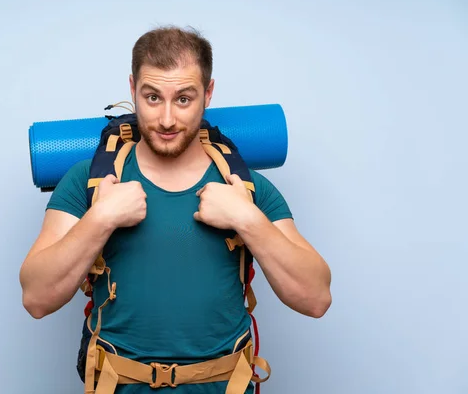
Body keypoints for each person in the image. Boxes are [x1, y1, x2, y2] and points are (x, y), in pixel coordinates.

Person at [19, 26, 332, 393]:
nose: (167, 119)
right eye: (153, 98)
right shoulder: (88, 182)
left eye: (183, 99)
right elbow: (36, 298)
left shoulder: (244, 188)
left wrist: (246, 218)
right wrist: (101, 217)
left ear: (208, 94)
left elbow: (316, 298)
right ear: (133, 88)